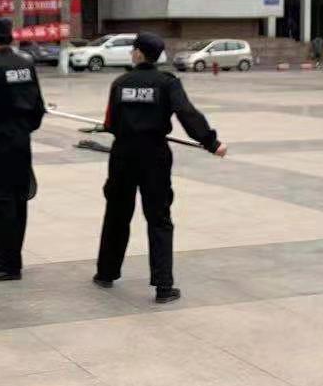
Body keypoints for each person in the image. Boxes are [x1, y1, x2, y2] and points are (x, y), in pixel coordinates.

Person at [94, 32, 227, 304]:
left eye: (133, 49)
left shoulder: (121, 83)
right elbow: (187, 113)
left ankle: (106, 273)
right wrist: (210, 142)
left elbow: (110, 123)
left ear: (139, 53)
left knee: (117, 214)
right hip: (154, 156)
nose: (131, 53)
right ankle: (163, 287)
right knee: (159, 219)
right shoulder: (167, 83)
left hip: (123, 155)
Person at [0, 18, 45, 282]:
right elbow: (38, 107)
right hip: (21, 142)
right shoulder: (26, 64)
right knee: (19, 202)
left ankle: (5, 265)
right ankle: (14, 259)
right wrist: (23, 129)